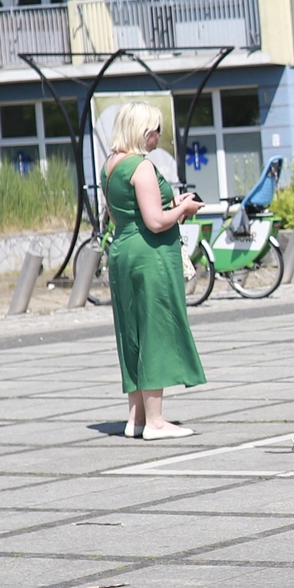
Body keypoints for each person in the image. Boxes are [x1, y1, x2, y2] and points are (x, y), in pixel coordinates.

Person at [102, 102, 206, 439]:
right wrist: (184, 208)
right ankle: (157, 422)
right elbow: (156, 221)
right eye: (155, 129)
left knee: (131, 331)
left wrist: (170, 207)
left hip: (123, 250)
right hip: (149, 254)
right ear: (142, 130)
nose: (159, 135)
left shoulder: (111, 164)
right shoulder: (141, 166)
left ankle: (137, 417)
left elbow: (123, 214)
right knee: (155, 329)